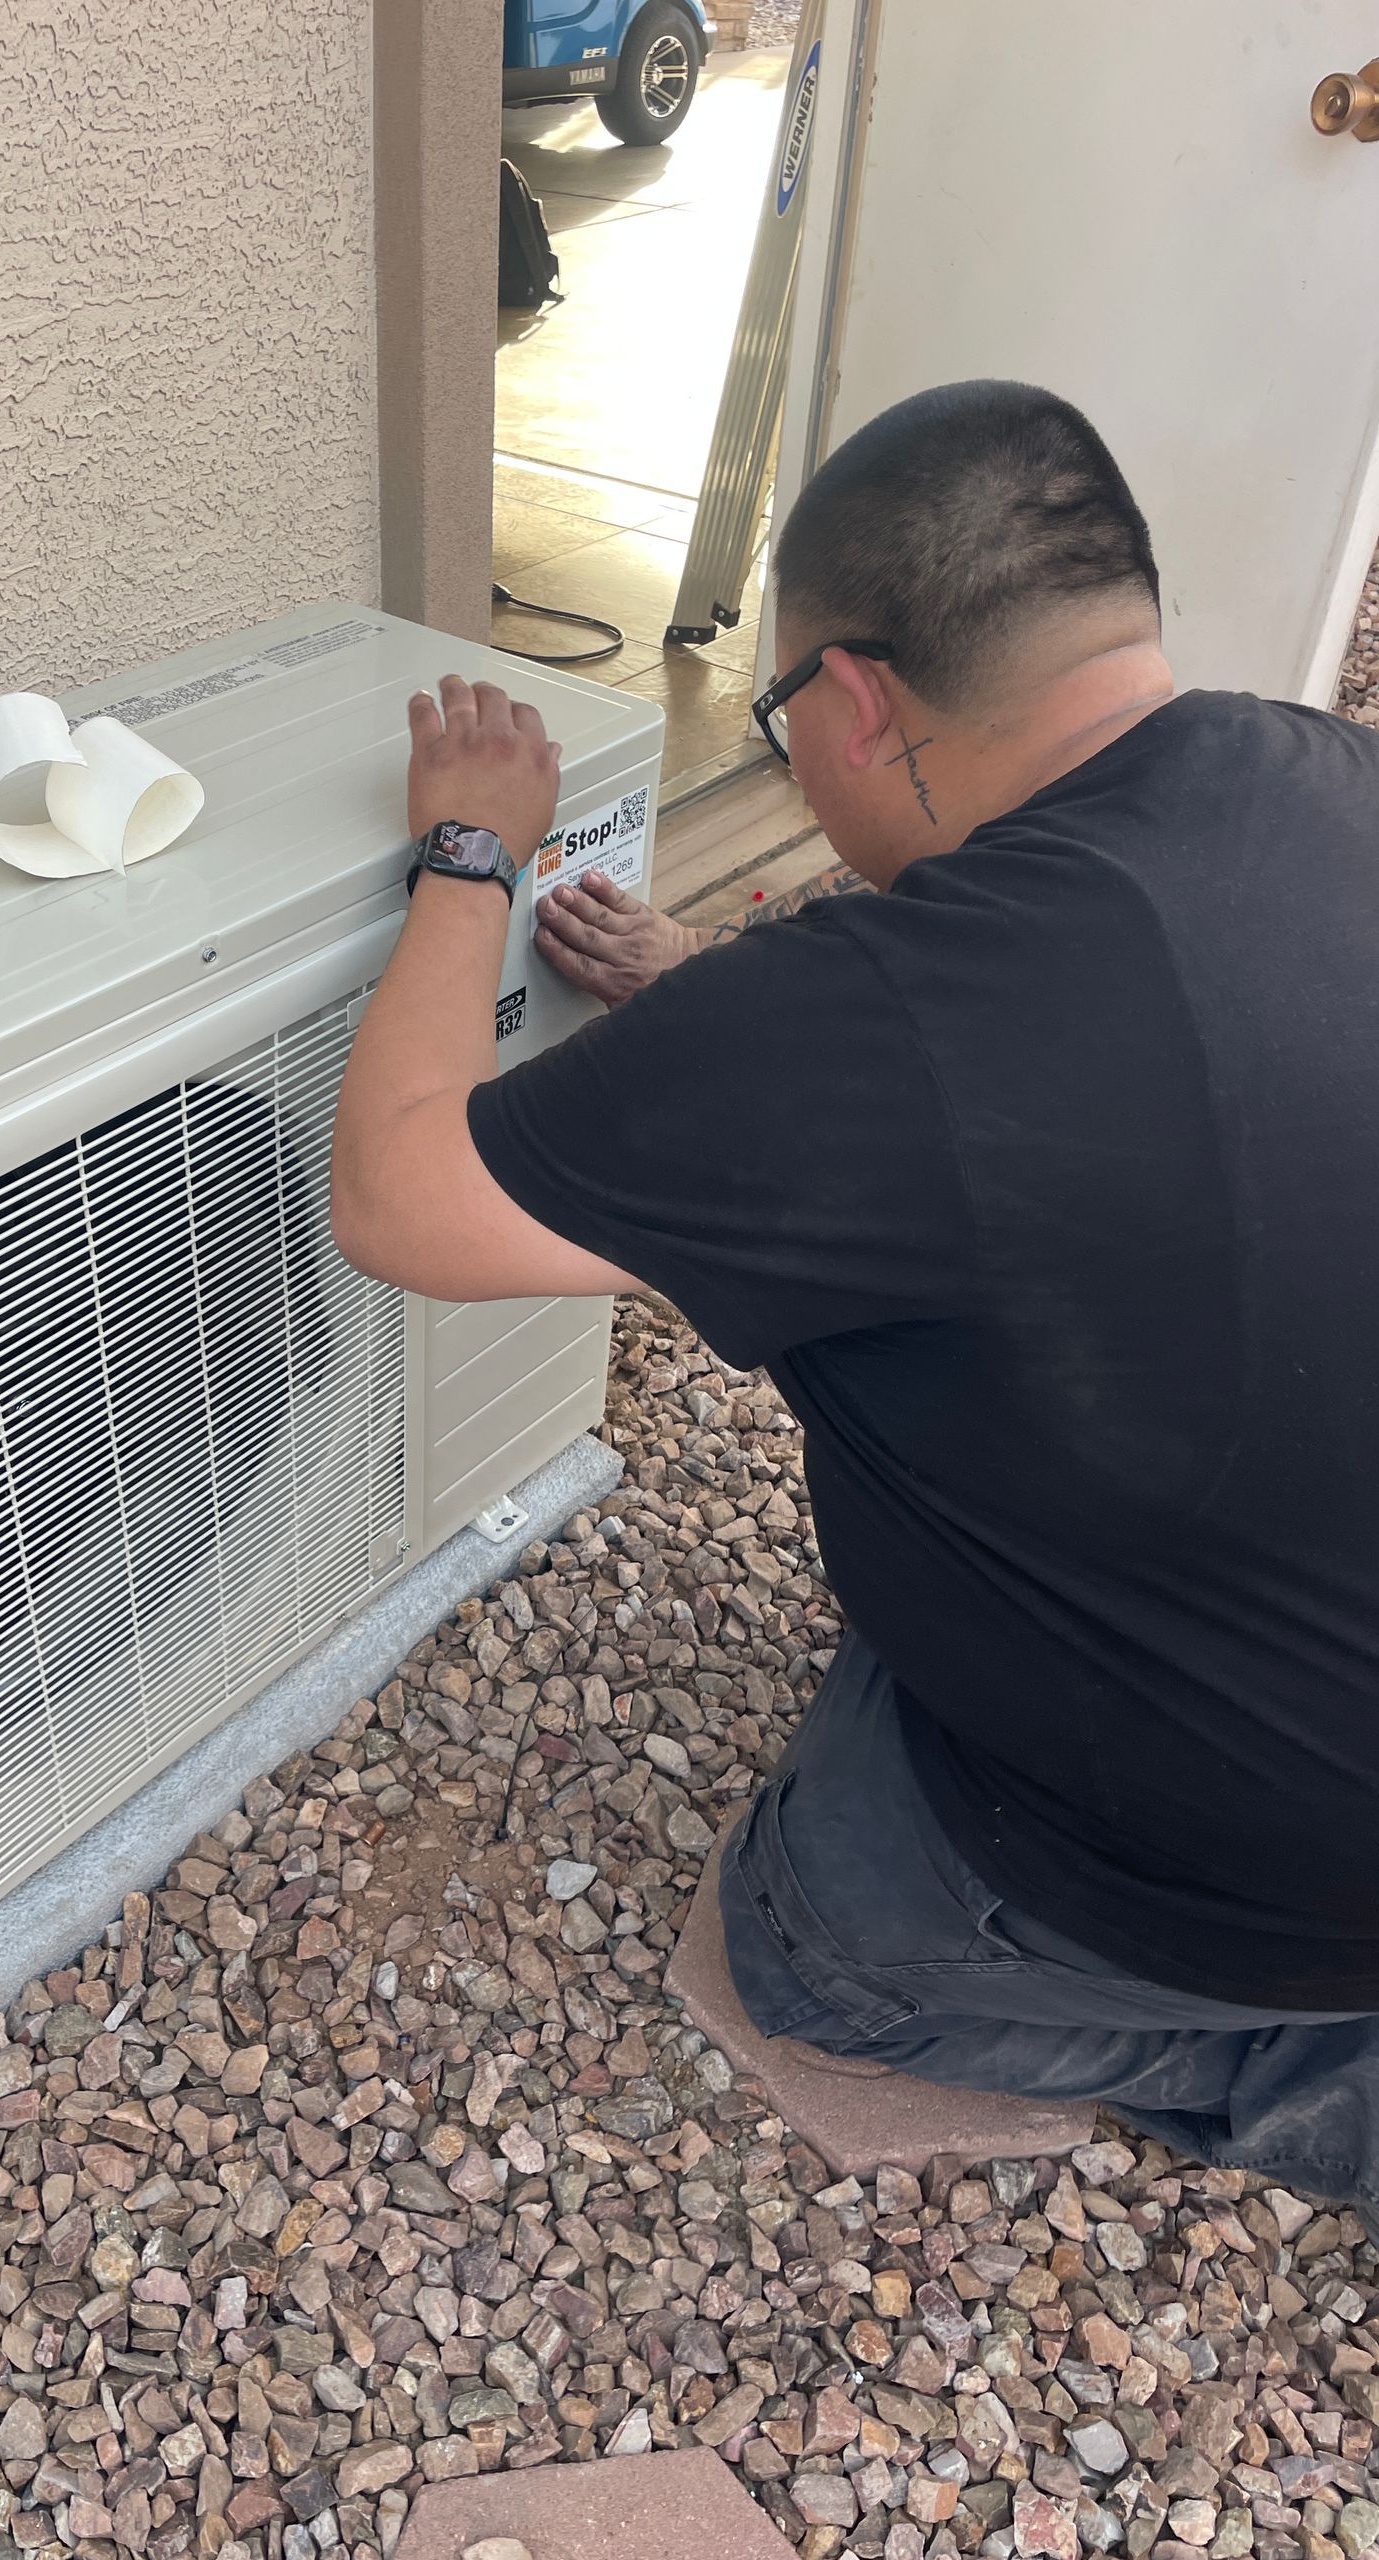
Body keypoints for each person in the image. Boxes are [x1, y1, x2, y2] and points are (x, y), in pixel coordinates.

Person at [330, 378, 1379, 2220]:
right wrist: (718, 1015)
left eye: (776, 718)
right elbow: (1091, 1101)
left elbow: (396, 1197)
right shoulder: (1326, 783)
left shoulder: (890, 1024)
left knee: (811, 1943)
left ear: (851, 703)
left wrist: (468, 861)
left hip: (1295, 1874)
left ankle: (1315, 2071)